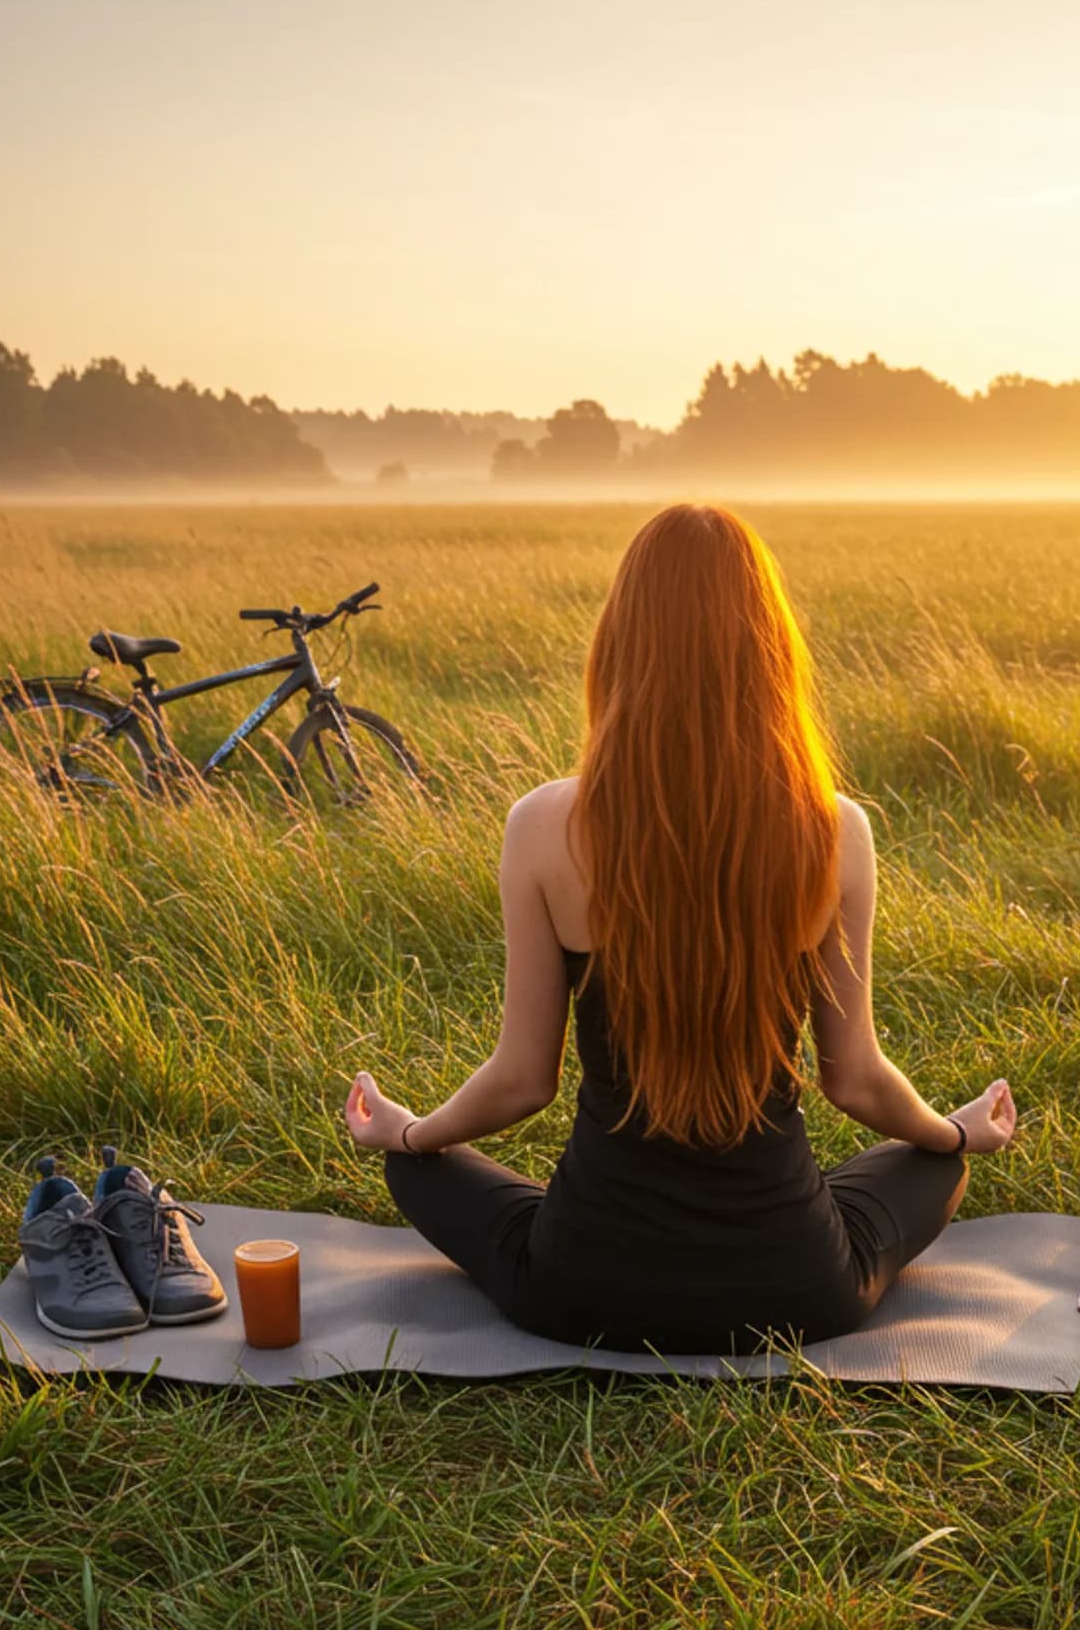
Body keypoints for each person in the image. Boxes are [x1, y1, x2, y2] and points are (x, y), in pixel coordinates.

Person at [346, 504, 1016, 1353]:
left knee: (418, 1171)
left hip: (583, 1288)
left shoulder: (543, 824)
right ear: (770, 651)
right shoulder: (834, 829)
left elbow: (522, 1082)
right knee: (931, 1163)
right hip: (798, 1289)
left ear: (621, 640)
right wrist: (957, 1134)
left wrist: (407, 1133)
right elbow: (858, 1083)